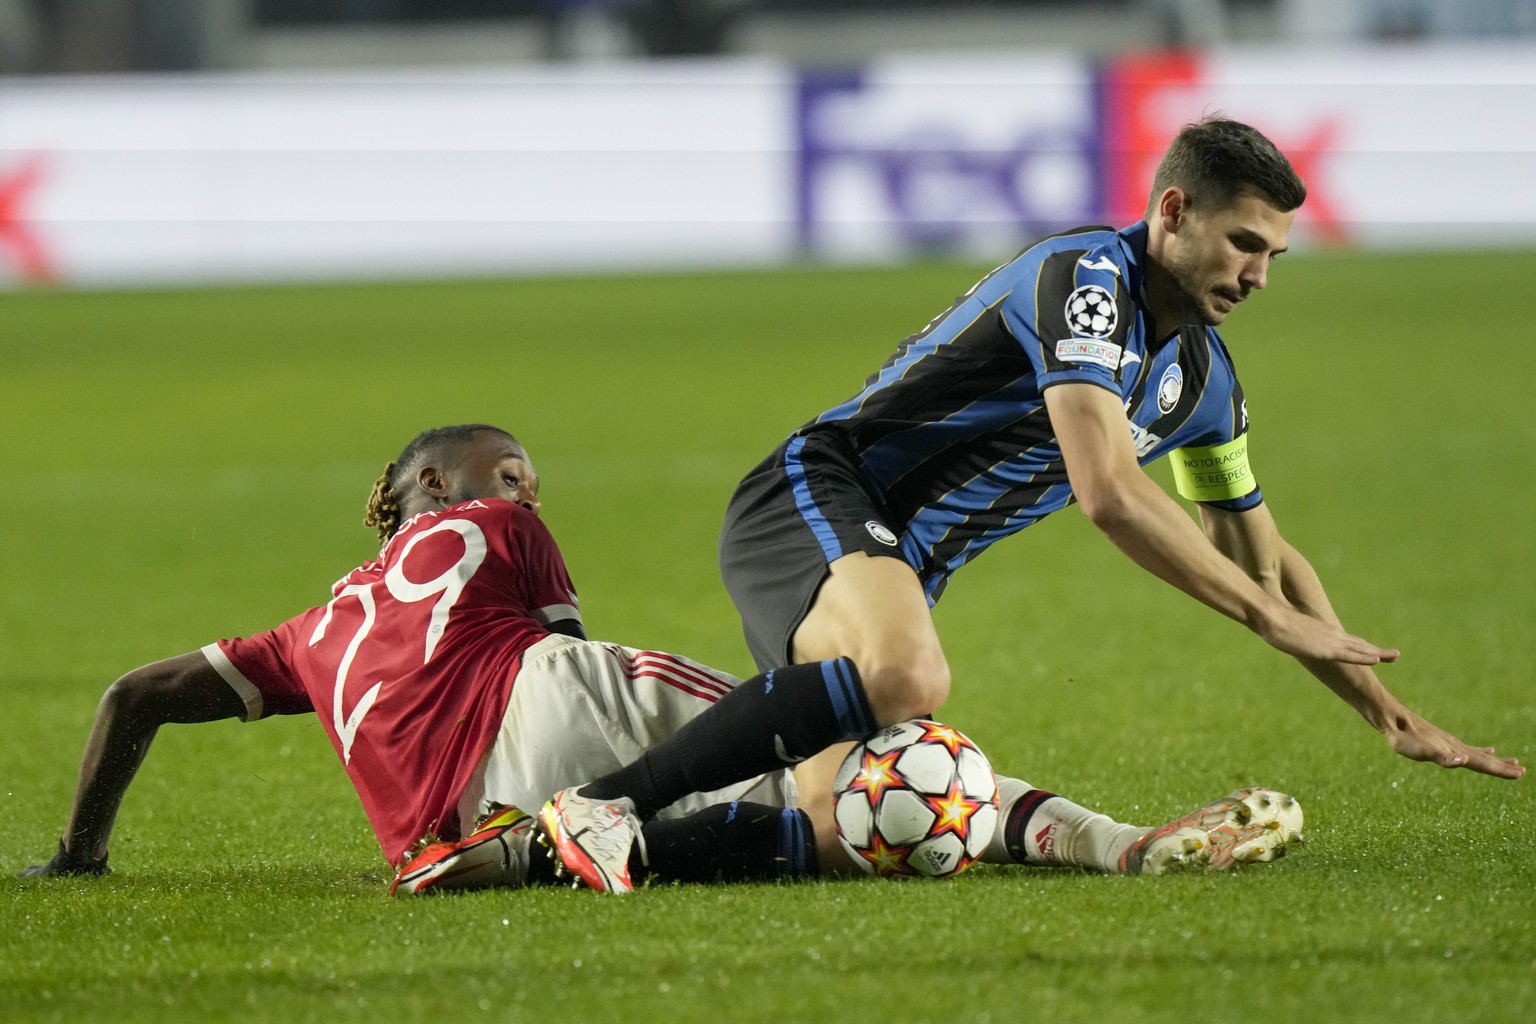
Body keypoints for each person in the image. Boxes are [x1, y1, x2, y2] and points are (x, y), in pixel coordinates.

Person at [538, 116, 1524, 894]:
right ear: (1173, 210)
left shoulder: (1203, 383)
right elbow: (1107, 491)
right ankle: (603, 802)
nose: (1258, 275)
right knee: (907, 672)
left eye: (1273, 255)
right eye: (1243, 243)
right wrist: (1263, 616)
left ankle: (568, 849)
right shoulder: (1087, 280)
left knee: (897, 808)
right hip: (819, 492)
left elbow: (1269, 561)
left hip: (897, 566)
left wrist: (1387, 713)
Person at [19, 423, 1303, 893]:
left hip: (437, 838)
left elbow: (135, 694)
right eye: (501, 467)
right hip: (539, 712)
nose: (525, 482)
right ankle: (1106, 839)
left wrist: (82, 853)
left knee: (830, 802)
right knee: (859, 750)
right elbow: (569, 670)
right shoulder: (498, 528)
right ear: (430, 486)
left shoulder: (305, 633)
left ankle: (559, 846)